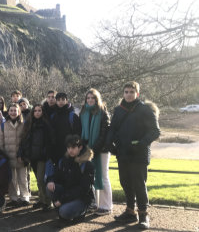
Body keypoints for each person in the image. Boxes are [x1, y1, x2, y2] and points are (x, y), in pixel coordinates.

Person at [107, 81, 160, 229]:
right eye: (126, 92)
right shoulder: (118, 110)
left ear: (137, 93)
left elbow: (155, 131)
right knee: (125, 182)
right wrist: (109, 144)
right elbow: (112, 129)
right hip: (123, 153)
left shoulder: (144, 110)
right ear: (123, 93)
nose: (129, 94)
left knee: (139, 184)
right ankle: (130, 211)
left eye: (132, 92)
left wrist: (142, 143)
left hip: (139, 154)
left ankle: (143, 215)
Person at [45, 135, 95, 223]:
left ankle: (80, 213)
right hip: (67, 193)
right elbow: (56, 175)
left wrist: (62, 200)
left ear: (80, 147)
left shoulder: (87, 165)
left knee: (64, 211)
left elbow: (83, 189)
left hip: (81, 198)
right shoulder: (64, 160)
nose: (70, 150)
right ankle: (61, 210)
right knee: (49, 188)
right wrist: (51, 180)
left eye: (73, 147)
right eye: (68, 147)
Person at [79, 89, 112, 215]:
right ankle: (96, 203)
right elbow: (82, 132)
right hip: (88, 149)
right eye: (88, 98)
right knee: (92, 177)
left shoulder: (103, 113)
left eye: (93, 98)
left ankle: (106, 205)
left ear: (97, 99)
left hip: (101, 150)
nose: (90, 100)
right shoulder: (83, 112)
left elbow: (104, 134)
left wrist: (93, 149)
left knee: (102, 176)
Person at [19, 104, 53, 211]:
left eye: (39, 110)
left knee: (40, 180)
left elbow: (50, 141)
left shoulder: (46, 124)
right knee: (39, 180)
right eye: (35, 111)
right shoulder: (29, 124)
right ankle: (41, 199)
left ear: (42, 112)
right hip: (32, 156)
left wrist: (45, 153)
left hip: (42, 157)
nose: (37, 112)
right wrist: (24, 154)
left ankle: (47, 202)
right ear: (32, 112)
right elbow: (24, 140)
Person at [0, 103, 29, 206]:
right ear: (8, 111)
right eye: (11, 110)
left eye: (15, 110)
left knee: (23, 179)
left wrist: (24, 156)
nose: (13, 112)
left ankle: (25, 197)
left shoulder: (24, 125)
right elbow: (0, 142)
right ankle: (14, 198)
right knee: (11, 180)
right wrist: (3, 155)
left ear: (19, 112)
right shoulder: (3, 125)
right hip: (8, 157)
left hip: (21, 157)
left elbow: (27, 141)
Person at [49, 92, 81, 163]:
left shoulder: (73, 116)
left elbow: (78, 133)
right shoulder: (53, 116)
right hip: (56, 150)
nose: (61, 102)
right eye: (58, 100)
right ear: (56, 101)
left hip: (70, 150)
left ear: (66, 100)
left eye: (63, 99)